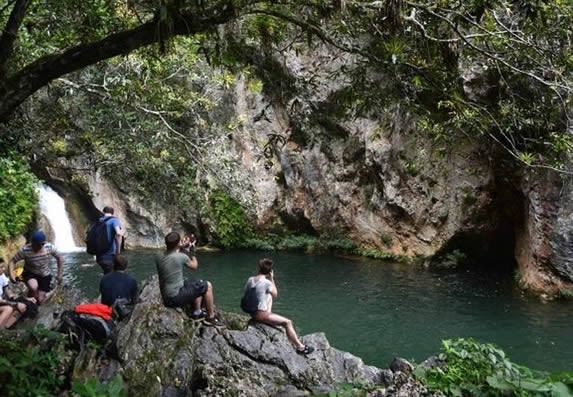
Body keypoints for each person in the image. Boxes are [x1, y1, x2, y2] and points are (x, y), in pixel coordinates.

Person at [243, 258, 314, 355]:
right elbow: (275, 293)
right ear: (269, 271)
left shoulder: (250, 279)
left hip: (252, 311)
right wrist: (272, 278)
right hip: (260, 315)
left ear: (259, 268)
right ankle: (300, 347)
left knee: (269, 296)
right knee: (287, 322)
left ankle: (268, 315)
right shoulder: (266, 283)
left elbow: (247, 293)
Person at [156, 231, 221, 326]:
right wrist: (191, 250)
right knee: (207, 285)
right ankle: (211, 317)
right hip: (174, 298)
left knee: (198, 282)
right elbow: (195, 266)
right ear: (178, 244)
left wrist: (181, 248)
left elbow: (173, 255)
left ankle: (197, 312)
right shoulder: (181, 257)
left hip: (166, 294)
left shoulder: (158, 255)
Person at [8, 230, 63, 304]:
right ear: (32, 243)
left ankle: (32, 296)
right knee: (34, 287)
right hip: (30, 272)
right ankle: (28, 302)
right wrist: (12, 275)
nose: (38, 247)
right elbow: (12, 261)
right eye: (36, 245)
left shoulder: (49, 247)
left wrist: (59, 274)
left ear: (44, 243)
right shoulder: (25, 250)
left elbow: (59, 258)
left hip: (44, 274)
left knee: (40, 300)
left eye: (41, 245)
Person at [0, 259, 38, 329]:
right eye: (1, 267)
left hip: (2, 302)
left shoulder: (2, 276)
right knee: (8, 309)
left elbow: (9, 293)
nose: (4, 269)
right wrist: (16, 304)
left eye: (3, 266)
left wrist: (25, 299)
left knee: (24, 306)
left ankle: (5, 329)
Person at [96, 206, 124, 275]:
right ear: (112, 213)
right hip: (110, 255)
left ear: (103, 212)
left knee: (106, 273)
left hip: (99, 256)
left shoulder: (99, 220)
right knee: (112, 276)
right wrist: (118, 252)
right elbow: (118, 234)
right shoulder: (114, 220)